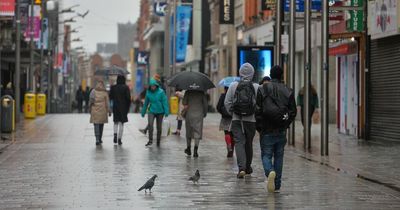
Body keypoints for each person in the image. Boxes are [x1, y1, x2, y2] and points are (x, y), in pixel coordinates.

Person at [255, 65, 297, 193]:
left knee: (266, 155)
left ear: (271, 74)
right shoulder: (288, 90)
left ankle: (270, 171)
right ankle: (277, 184)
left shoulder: (262, 89)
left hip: (266, 129)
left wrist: (260, 127)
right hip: (281, 129)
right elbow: (293, 112)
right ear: (282, 75)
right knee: (279, 156)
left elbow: (258, 110)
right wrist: (286, 123)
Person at [224, 63, 259, 178]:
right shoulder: (256, 87)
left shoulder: (233, 85)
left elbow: (227, 102)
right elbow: (259, 105)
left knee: (239, 142)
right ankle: (248, 167)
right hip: (251, 120)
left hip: (236, 119)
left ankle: (241, 168)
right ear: (252, 74)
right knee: (249, 143)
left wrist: (233, 113)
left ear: (240, 73)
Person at [141, 79, 169, 147]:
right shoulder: (148, 92)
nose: (153, 87)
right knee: (150, 124)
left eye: (154, 86)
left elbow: (164, 102)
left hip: (160, 112)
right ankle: (150, 141)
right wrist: (143, 111)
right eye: (151, 86)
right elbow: (146, 103)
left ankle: (158, 141)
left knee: (159, 127)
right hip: (151, 111)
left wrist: (166, 111)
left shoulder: (161, 92)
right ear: (150, 86)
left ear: (156, 86)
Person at [182, 90, 208, 158]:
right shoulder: (201, 92)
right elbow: (205, 104)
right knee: (197, 132)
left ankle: (188, 148)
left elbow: (184, 102)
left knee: (189, 132)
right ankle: (195, 150)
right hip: (199, 115)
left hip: (189, 114)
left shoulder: (188, 92)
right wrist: (204, 113)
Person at [110, 75, 131, 145]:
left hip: (115, 107)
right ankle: (119, 139)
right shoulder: (126, 87)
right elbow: (128, 99)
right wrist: (127, 108)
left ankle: (115, 134)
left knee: (115, 122)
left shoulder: (113, 87)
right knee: (121, 123)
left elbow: (110, 97)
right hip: (123, 107)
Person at [89, 81, 111, 146]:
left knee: (96, 124)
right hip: (103, 111)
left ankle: (97, 139)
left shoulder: (93, 91)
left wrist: (89, 108)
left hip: (94, 110)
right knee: (101, 124)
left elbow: (90, 101)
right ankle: (100, 138)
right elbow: (107, 103)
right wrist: (109, 110)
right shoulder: (105, 93)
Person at [217, 86, 234, 158]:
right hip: (233, 117)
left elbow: (218, 106)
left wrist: (222, 113)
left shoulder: (223, 95)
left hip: (225, 117)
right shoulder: (235, 94)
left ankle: (229, 148)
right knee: (233, 134)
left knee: (227, 133)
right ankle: (232, 150)